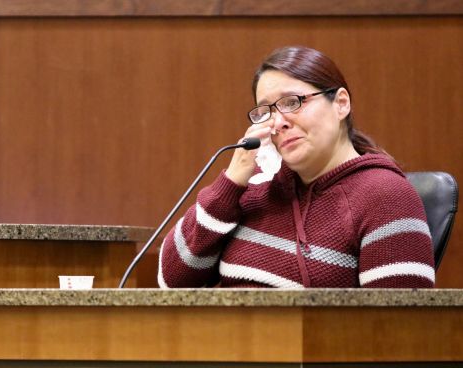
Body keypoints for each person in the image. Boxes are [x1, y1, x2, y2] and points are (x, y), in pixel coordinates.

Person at [158, 46, 435, 288]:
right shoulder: (254, 190)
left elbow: (400, 329)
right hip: (223, 343)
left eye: (292, 102)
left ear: (341, 103)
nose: (278, 123)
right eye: (266, 111)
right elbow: (171, 281)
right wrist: (230, 184)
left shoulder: (386, 196)